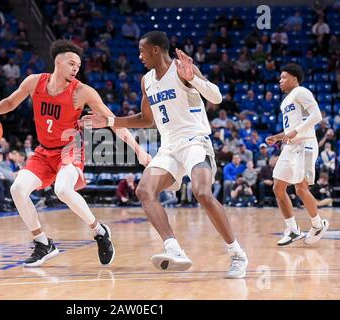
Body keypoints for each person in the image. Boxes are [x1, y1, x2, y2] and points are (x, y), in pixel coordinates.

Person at [83, 31, 248, 278]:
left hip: (195, 142)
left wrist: (194, 78)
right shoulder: (147, 80)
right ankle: (173, 247)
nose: (139, 56)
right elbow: (146, 120)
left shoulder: (182, 68)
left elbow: (216, 97)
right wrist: (108, 120)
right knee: (143, 191)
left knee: (202, 193)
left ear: (157, 50)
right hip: (169, 147)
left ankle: (236, 253)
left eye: (142, 51)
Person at [0, 40, 150, 267]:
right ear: (58, 62)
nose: (76, 68)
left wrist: (139, 151)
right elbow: (10, 103)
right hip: (43, 151)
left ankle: (99, 232)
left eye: (78, 65)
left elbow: (112, 122)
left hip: (70, 150)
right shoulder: (34, 82)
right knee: (17, 188)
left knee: (63, 189)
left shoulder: (83, 92)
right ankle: (43, 243)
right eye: (72, 63)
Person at [265, 63, 328, 246]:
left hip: (305, 144)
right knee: (278, 187)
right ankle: (293, 230)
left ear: (294, 78)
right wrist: (278, 137)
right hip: (290, 146)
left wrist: (295, 131)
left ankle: (317, 225)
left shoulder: (302, 92)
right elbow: (291, 129)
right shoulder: (286, 101)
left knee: (300, 188)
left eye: (283, 77)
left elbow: (316, 116)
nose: (280, 81)